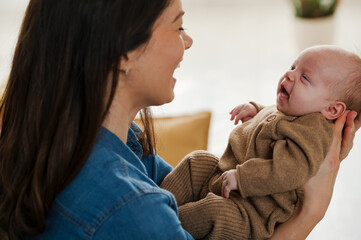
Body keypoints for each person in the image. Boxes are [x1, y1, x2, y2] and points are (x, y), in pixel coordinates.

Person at [0, 0, 359, 239]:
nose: (187, 42)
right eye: (177, 27)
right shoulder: (137, 214)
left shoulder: (104, 139)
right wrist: (310, 213)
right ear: (124, 52)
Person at [161, 45, 361, 239]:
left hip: (249, 214)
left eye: (305, 77)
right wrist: (255, 110)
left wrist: (242, 178)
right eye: (293, 67)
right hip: (225, 177)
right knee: (197, 161)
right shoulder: (297, 110)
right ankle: (159, 203)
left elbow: (290, 170)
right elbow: (274, 116)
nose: (290, 75)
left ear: (333, 110)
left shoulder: (314, 132)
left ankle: (161, 226)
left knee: (214, 212)